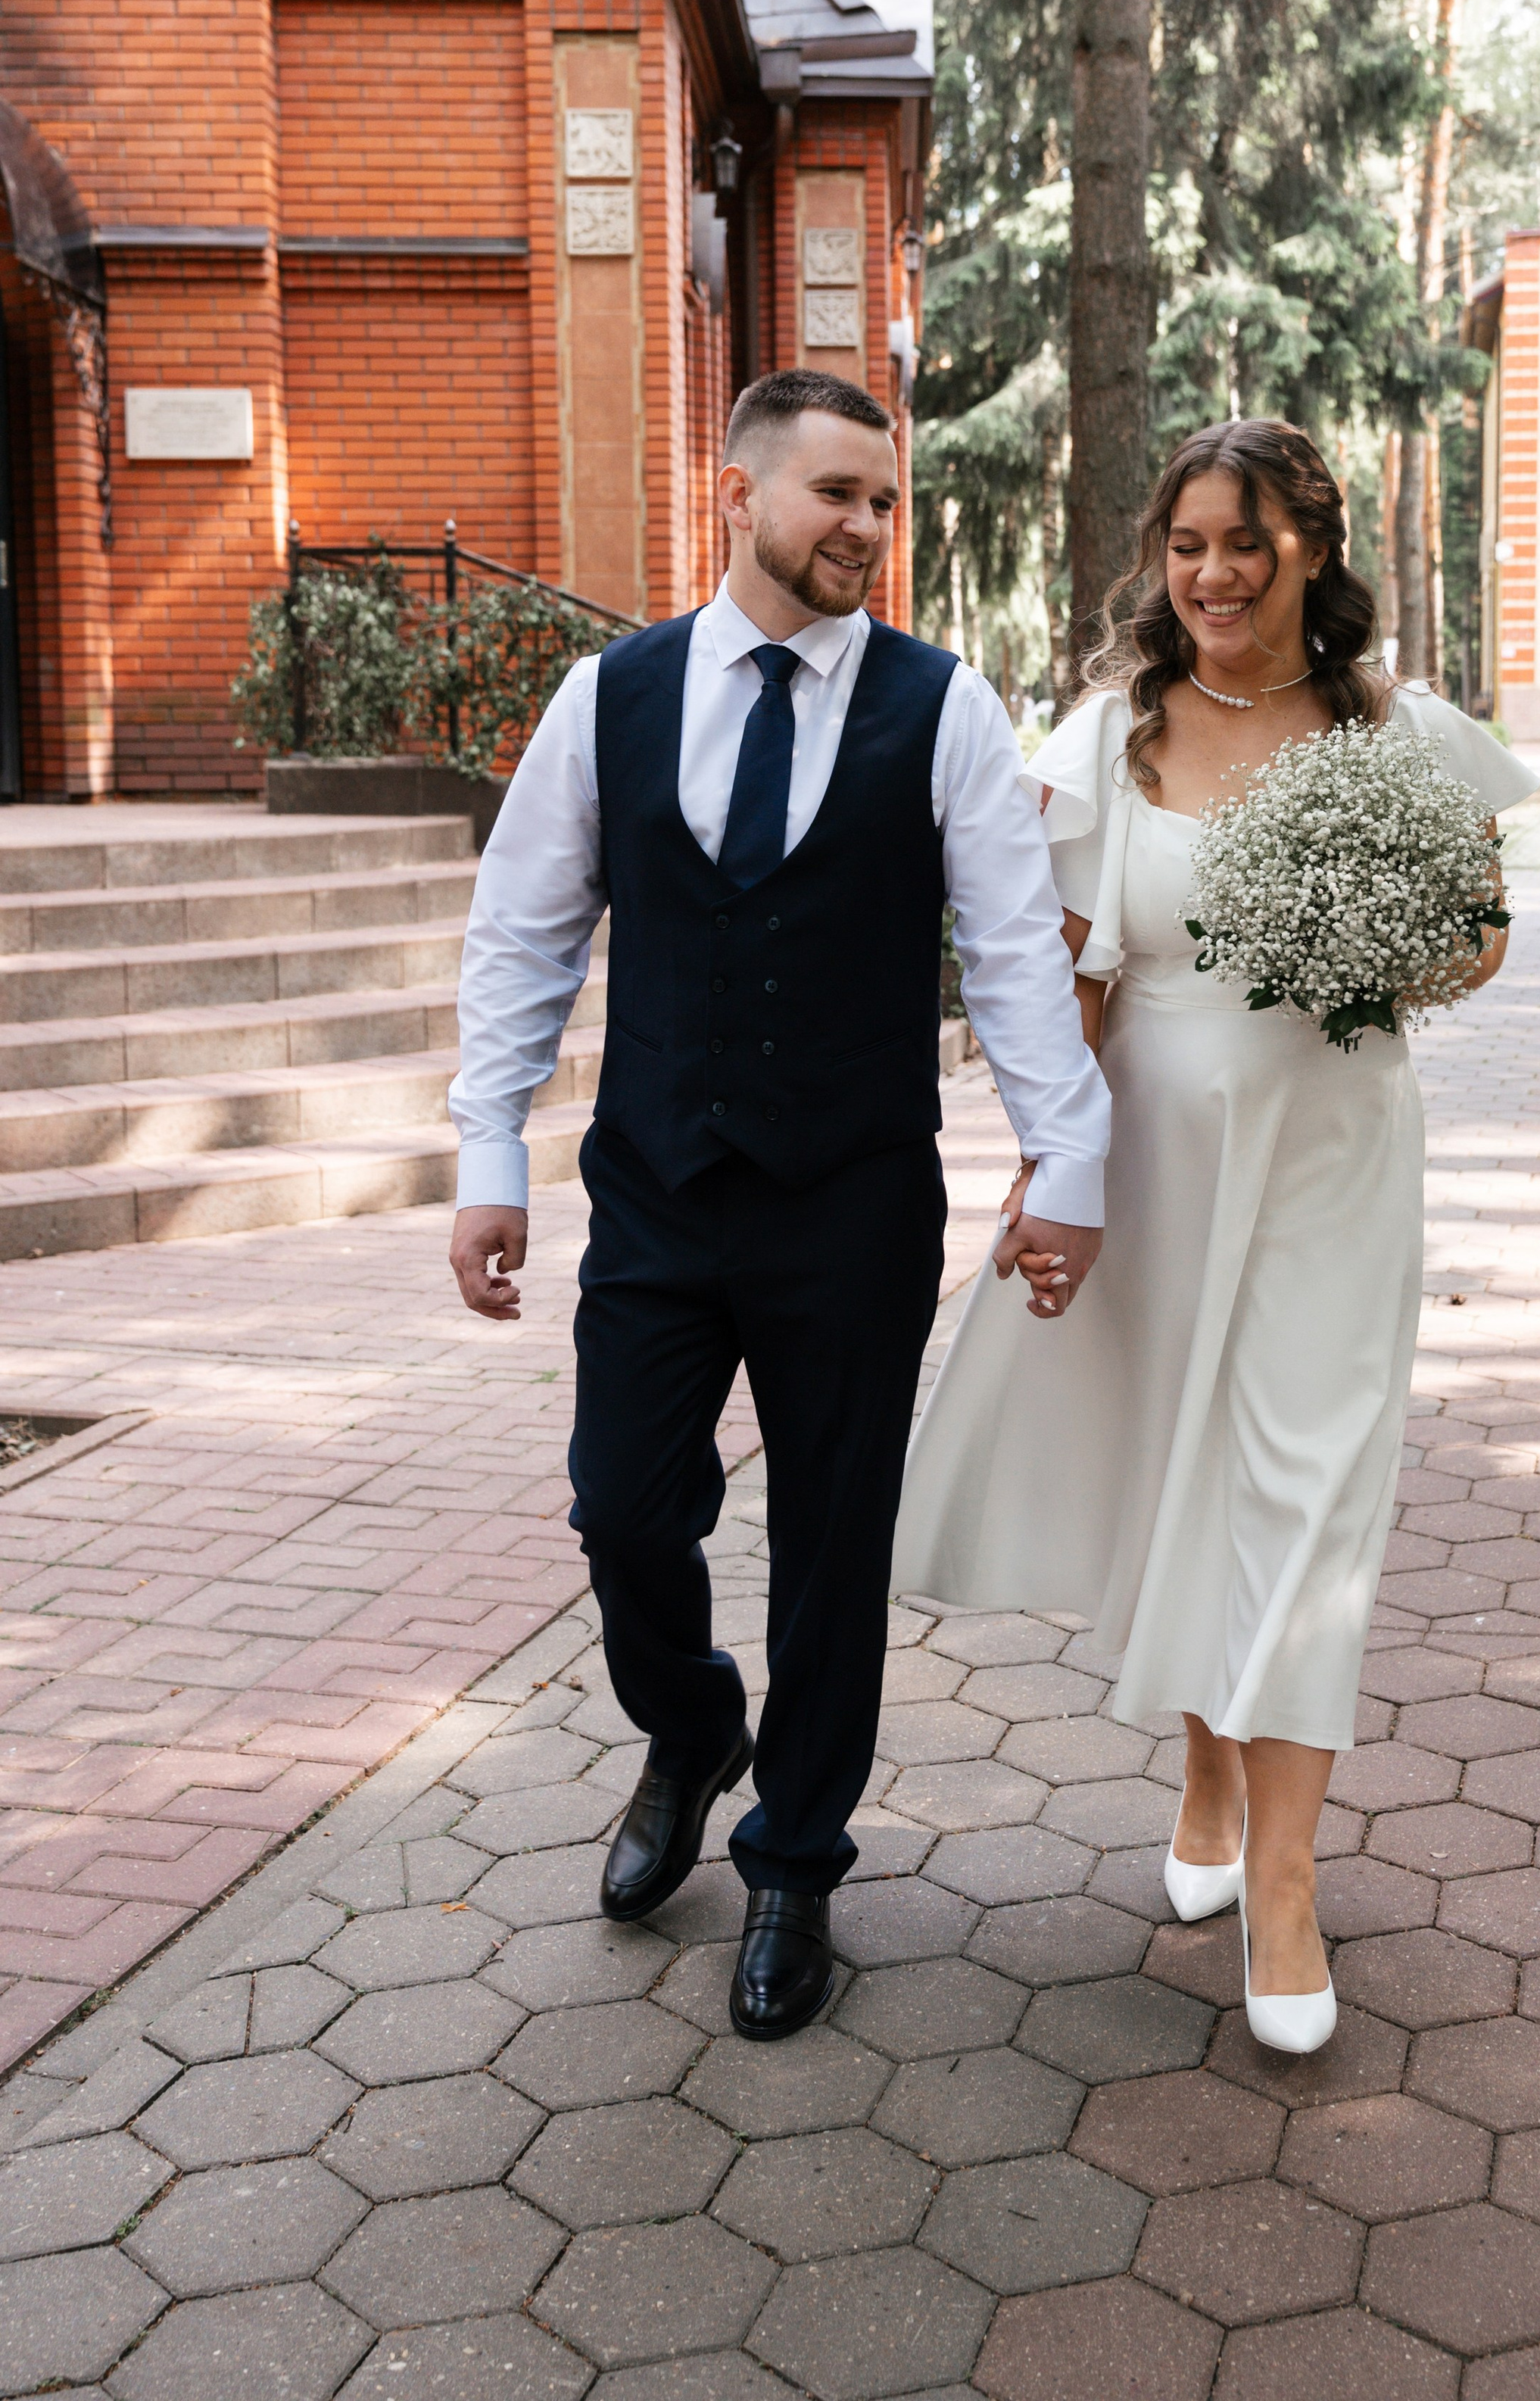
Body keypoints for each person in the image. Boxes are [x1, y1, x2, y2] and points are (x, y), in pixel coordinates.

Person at [447, 369, 1111, 2041]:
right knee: (619, 1504)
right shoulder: (610, 696)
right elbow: (522, 936)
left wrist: (1069, 1165)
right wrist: (487, 1159)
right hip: (659, 1197)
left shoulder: (942, 708)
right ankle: (687, 1726)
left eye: (885, 503)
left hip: (854, 1203)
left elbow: (1017, 958)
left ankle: (795, 1861)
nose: (867, 530)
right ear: (732, 492)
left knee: (831, 1546)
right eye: (835, 495)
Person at [894, 417, 1538, 2055]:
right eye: (1185, 544)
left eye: (1243, 543)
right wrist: (1052, 1171)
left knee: (1311, 1486)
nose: (1211, 575)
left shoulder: (1395, 733)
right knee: (1189, 1466)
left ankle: (1284, 1877)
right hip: (1165, 1145)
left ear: (1310, 549)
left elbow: (1477, 944)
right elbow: (1067, 982)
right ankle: (1201, 1757)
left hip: (1336, 1149)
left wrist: (1395, 937)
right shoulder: (1110, 737)